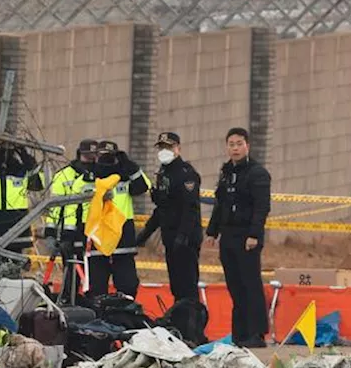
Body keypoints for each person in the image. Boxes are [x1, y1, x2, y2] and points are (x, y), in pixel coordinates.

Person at [205, 127, 271, 347]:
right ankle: (240, 333)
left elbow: (261, 208)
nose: (235, 148)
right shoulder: (226, 173)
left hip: (247, 237)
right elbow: (220, 203)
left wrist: (254, 234)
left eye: (239, 144)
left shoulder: (257, 173)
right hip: (229, 236)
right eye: (231, 144)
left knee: (250, 283)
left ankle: (256, 332)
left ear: (247, 146)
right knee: (234, 285)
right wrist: (212, 231)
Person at [138, 131, 202, 303]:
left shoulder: (186, 174)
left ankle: (190, 322)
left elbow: (191, 209)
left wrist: (183, 236)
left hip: (185, 239)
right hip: (170, 237)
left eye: (169, 147)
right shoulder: (163, 174)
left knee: (187, 286)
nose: (164, 151)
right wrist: (144, 234)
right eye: (162, 147)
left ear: (178, 149)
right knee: (176, 286)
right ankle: (179, 320)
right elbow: (162, 208)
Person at [85, 140, 150, 298]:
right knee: (97, 287)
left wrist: (128, 165)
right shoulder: (89, 178)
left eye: (110, 157)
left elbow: (143, 186)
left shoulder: (125, 177)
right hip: (98, 237)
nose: (106, 162)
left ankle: (125, 316)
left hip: (122, 237)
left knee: (127, 284)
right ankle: (98, 317)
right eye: (102, 157)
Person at [44, 139, 100, 302]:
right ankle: (69, 299)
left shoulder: (102, 173)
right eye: (87, 157)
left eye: (94, 156)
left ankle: (93, 300)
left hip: (96, 229)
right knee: (72, 269)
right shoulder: (64, 175)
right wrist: (51, 232)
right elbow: (54, 206)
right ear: (79, 155)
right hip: (71, 230)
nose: (91, 160)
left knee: (94, 269)